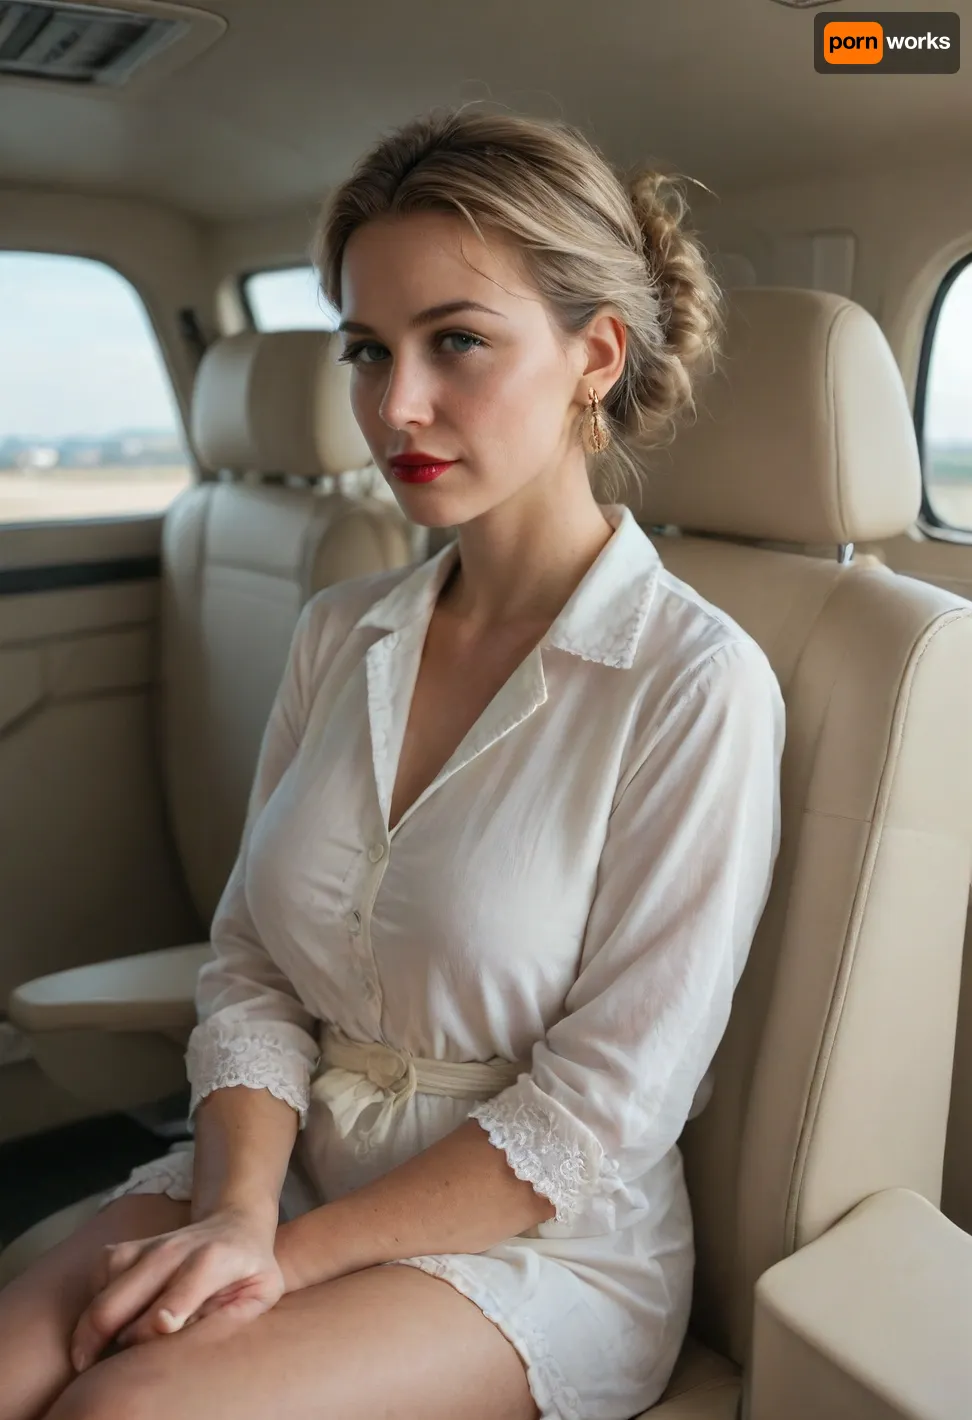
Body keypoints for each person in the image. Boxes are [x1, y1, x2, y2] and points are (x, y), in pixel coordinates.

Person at [0, 106, 784, 1420]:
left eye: (456, 341)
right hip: (285, 1173)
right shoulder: (339, 634)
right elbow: (252, 966)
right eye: (368, 350)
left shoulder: (696, 684)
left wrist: (282, 1256)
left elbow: (601, 1111)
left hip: (537, 1241)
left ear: (594, 357)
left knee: (118, 1409)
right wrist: (237, 1209)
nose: (394, 405)